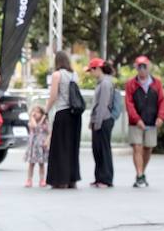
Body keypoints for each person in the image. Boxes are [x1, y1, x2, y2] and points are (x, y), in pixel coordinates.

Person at [124, 55, 164, 188]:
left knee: (148, 148)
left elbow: (162, 102)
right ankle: (139, 175)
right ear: (136, 68)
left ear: (148, 67)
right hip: (135, 122)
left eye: (144, 66)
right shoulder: (130, 84)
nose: (142, 69)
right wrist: (136, 119)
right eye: (139, 67)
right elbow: (129, 103)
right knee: (137, 147)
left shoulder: (157, 83)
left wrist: (161, 117)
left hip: (151, 121)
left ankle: (142, 172)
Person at [45, 51, 82, 190]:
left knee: (60, 147)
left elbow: (54, 95)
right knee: (72, 147)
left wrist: (46, 110)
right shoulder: (74, 75)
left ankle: (60, 179)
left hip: (62, 112)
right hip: (75, 115)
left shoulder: (57, 75)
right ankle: (72, 178)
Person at [88, 58, 116, 188]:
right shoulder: (100, 83)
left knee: (103, 150)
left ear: (98, 69)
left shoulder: (105, 83)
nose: (91, 73)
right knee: (97, 150)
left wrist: (97, 123)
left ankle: (106, 178)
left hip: (103, 120)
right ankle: (99, 177)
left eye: (92, 70)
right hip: (98, 120)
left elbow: (103, 105)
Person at [24, 104, 49, 188]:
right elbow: (35, 126)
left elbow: (50, 133)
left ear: (42, 114)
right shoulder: (31, 122)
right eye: (34, 111)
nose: (35, 113)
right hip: (33, 146)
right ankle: (29, 179)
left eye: (38, 112)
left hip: (41, 145)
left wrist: (47, 141)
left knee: (41, 164)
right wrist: (32, 117)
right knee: (31, 164)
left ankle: (42, 179)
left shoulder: (45, 123)